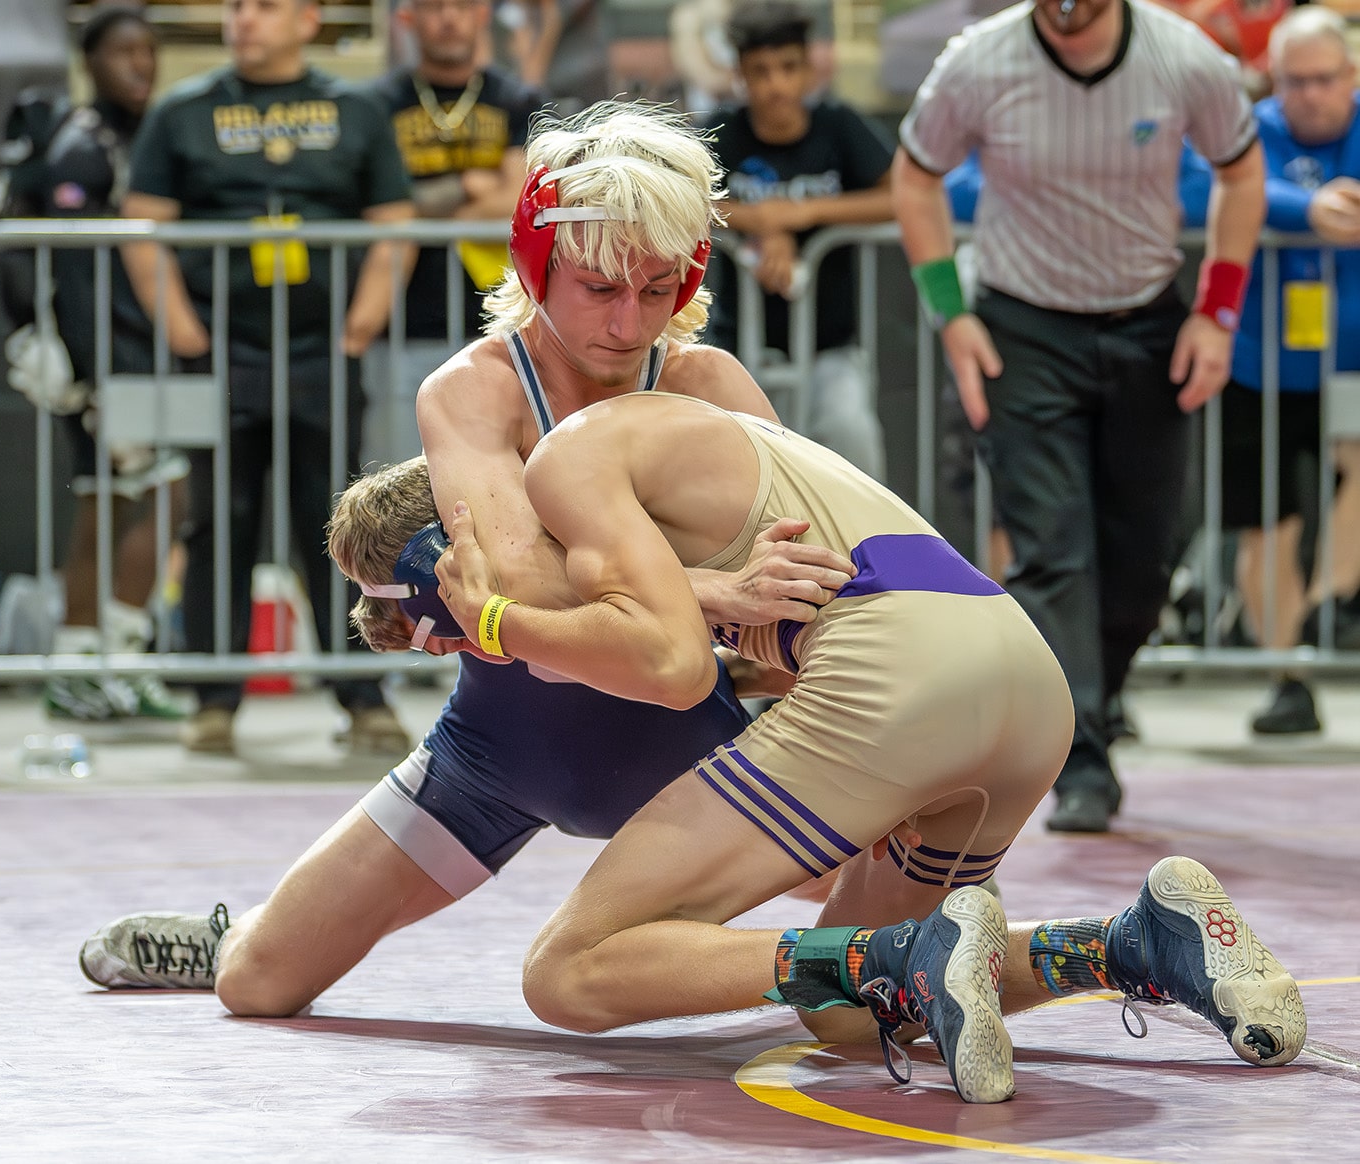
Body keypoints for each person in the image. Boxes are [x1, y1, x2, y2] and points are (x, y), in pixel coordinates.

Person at [78, 102, 856, 1024]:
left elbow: (817, 588)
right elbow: (519, 585)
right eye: (600, 288)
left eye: (656, 291)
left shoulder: (707, 385)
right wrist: (712, 592)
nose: (628, 321)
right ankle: (235, 931)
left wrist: (752, 617)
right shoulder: (478, 389)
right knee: (259, 982)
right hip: (495, 751)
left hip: (697, 756)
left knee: (913, 902)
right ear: (537, 267)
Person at [430, 390, 1304, 1102]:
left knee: (567, 971)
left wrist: (495, 621)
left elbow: (668, 667)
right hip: (1020, 679)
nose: (430, 644)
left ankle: (906, 951)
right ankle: (1135, 943)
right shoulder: (730, 449)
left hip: (897, 680)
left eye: (413, 613)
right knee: (849, 1014)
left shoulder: (573, 462)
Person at [893, 0, 1267, 832]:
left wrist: (1217, 312)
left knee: (1139, 568)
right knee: (1053, 552)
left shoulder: (1183, 58)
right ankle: (1080, 760)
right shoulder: (977, 60)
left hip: (1146, 324)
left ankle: (1087, 706)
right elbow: (914, 176)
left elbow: (1241, 172)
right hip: (1023, 329)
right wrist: (951, 315)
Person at [120, 0, 419, 755]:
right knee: (218, 516)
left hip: (324, 350)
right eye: (236, 7)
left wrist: (357, 331)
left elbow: (394, 226)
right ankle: (213, 701)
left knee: (344, 523)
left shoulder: (354, 108)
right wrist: (188, 334)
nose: (244, 19)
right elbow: (143, 225)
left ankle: (361, 693)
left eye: (265, 6)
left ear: (308, 20)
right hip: (221, 352)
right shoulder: (183, 111)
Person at [1182, 6, 1360, 735]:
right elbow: (1194, 189)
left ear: (1351, 75)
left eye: (1324, 80)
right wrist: (1300, 209)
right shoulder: (1247, 129)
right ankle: (1290, 674)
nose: (1310, 94)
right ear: (1272, 78)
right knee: (1266, 527)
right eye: (1295, 81)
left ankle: (1328, 605)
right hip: (1257, 361)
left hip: (1349, 360)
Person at [11, 8, 190, 722]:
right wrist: (91, 377)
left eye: (149, 52)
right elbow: (74, 270)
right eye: (124, 53)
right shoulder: (84, 143)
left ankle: (91, 662)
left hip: (135, 352)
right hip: (110, 359)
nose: (140, 65)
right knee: (163, 494)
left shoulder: (139, 133)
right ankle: (111, 660)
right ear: (91, 62)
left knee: (110, 501)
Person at [703, 0, 893, 480]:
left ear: (809, 68)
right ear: (742, 74)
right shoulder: (721, 133)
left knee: (853, 441)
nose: (776, 85)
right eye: (761, 71)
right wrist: (761, 224)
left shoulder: (838, 126)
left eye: (788, 68)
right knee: (731, 465)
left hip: (831, 345)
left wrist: (803, 215)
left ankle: (876, 552)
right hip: (737, 345)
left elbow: (899, 197)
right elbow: (674, 197)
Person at [364, 0, 548, 466]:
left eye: (461, 6)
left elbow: (516, 200)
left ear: (482, 14)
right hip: (401, 319)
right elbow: (377, 205)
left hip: (501, 319)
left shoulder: (517, 99)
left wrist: (417, 208)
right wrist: (467, 185)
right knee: (401, 472)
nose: (448, 18)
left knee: (497, 467)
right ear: (405, 19)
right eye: (432, 7)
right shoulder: (376, 104)